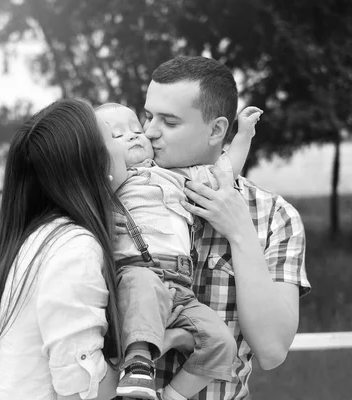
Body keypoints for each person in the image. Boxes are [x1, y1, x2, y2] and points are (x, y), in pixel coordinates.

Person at [0, 98, 180, 400]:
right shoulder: (75, 250)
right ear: (100, 167)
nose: (131, 143)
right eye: (113, 137)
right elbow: (81, 390)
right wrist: (156, 344)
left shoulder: (41, 237)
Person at [140, 56, 311, 400]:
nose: (148, 132)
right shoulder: (123, 195)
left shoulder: (274, 216)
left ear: (217, 130)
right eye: (147, 116)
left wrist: (240, 232)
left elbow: (272, 350)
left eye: (169, 122)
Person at [96, 103, 262, 400]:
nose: (133, 137)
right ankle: (138, 364)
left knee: (223, 344)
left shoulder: (177, 175)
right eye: (117, 136)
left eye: (137, 130)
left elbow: (225, 171)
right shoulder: (107, 189)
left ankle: (172, 395)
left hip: (181, 286)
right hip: (137, 275)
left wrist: (244, 135)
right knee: (143, 290)